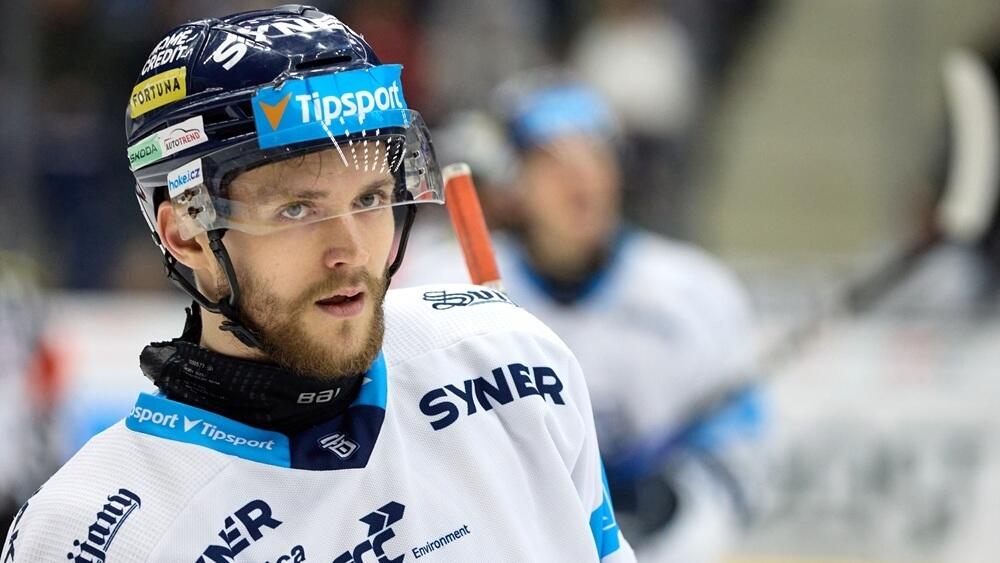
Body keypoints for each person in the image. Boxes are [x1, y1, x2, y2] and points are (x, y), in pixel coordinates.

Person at [2, 7, 634, 562]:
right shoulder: (95, 535)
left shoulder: (515, 366)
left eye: (371, 198)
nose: (351, 252)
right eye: (297, 210)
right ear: (187, 235)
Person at [399, 74, 767, 562]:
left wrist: (675, 501)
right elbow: (413, 450)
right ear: (514, 183)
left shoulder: (694, 292)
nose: (581, 180)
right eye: (553, 161)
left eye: (596, 157)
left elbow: (739, 449)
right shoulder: (445, 290)